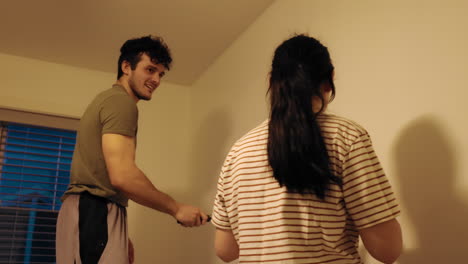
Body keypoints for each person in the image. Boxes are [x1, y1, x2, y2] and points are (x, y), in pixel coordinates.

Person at [211, 34, 402, 264]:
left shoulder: (238, 151)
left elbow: (225, 250)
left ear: (271, 81)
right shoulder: (347, 137)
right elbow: (388, 250)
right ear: (329, 78)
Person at [56, 35, 209, 264]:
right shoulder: (121, 103)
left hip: (92, 213)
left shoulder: (106, 100)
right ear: (126, 67)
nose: (156, 79)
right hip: (95, 211)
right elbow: (123, 176)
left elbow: (107, 174)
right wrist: (176, 208)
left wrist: (118, 234)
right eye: (150, 70)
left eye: (160, 74)